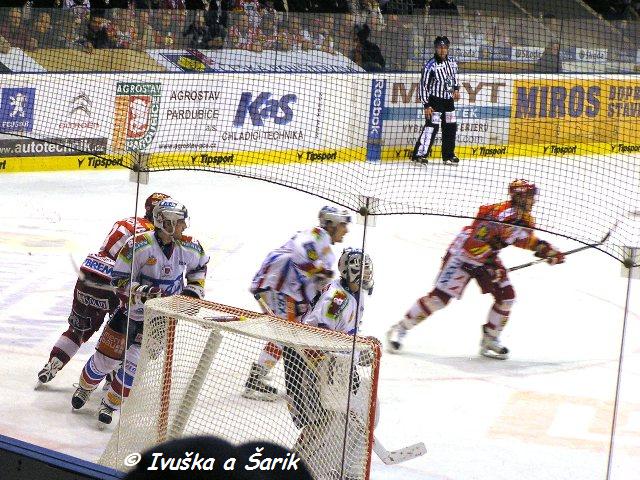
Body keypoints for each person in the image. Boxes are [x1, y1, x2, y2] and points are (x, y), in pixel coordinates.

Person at [386, 180, 565, 359]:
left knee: (507, 296)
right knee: (438, 299)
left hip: (487, 255)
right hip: (462, 253)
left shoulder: (525, 219)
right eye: (529, 197)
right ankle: (400, 328)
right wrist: (491, 270)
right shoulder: (497, 216)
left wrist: (545, 249)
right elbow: (472, 246)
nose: (533, 201)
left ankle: (490, 339)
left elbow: (524, 239)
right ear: (518, 197)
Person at [71, 198, 209, 426]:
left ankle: (110, 403)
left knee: (134, 368)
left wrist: (192, 293)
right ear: (166, 223)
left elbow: (200, 267)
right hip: (130, 315)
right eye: (180, 222)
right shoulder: (138, 245)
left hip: (159, 321)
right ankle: (86, 387)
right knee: (103, 362)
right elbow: (118, 280)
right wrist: (143, 292)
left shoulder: (190, 245)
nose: (185, 227)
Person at [37, 193, 169, 385]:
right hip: (115, 283)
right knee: (121, 335)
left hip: (88, 273)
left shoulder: (125, 221)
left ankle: (52, 364)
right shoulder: (152, 236)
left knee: (77, 329)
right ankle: (109, 380)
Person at [243, 206, 351, 401]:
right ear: (331, 224)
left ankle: (264, 378)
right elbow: (302, 251)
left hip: (282, 287)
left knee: (290, 334)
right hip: (278, 284)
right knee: (285, 333)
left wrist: (319, 278)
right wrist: (317, 271)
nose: (347, 230)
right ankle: (255, 381)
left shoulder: (323, 244)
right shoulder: (318, 235)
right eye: (343, 224)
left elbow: (314, 276)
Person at [286, 248, 376, 479]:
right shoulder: (337, 299)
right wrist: (334, 368)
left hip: (333, 367)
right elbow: (319, 338)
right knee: (321, 422)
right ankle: (291, 469)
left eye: (368, 269)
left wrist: (356, 353)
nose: (367, 274)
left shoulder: (356, 295)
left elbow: (344, 335)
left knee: (369, 413)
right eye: (362, 269)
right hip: (308, 364)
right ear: (350, 271)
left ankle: (346, 470)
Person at [412, 35, 460, 164]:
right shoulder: (430, 66)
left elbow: (455, 78)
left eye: (444, 47)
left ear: (448, 48)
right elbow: (423, 85)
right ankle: (419, 154)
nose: (442, 50)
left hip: (449, 102)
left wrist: (456, 89)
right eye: (440, 47)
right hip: (435, 101)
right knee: (431, 127)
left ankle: (448, 155)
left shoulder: (452, 62)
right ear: (435, 48)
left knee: (450, 127)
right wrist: (426, 105)